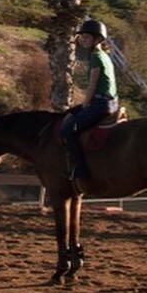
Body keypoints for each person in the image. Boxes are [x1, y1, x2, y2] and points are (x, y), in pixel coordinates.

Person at [61, 17, 119, 182]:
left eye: (87, 37)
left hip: (100, 103)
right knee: (71, 113)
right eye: (82, 37)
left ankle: (81, 169)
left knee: (67, 130)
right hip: (111, 102)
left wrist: (85, 104)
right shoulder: (105, 56)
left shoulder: (95, 57)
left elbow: (92, 85)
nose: (83, 40)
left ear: (97, 39)